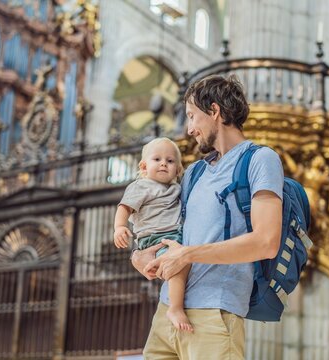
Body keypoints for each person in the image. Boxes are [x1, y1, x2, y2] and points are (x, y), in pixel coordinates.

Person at [131, 74, 284, 359]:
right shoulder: (194, 173)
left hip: (215, 315)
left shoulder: (260, 160)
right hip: (167, 312)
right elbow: (162, 223)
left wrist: (187, 255)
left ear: (214, 111)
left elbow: (266, 241)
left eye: (192, 116)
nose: (189, 129)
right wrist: (139, 256)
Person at [113, 137, 193, 332]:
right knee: (177, 264)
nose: (164, 163)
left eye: (170, 160)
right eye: (157, 159)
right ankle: (175, 308)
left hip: (173, 235)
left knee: (180, 261)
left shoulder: (176, 188)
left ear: (178, 169)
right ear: (144, 166)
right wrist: (120, 227)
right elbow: (124, 207)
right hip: (154, 237)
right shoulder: (142, 186)